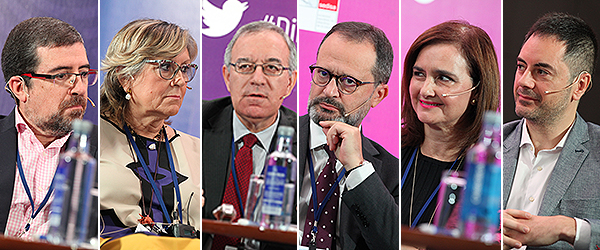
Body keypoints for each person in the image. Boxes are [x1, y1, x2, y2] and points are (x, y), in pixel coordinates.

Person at [502, 13, 600, 250]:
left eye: (541, 72)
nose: (524, 82)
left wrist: (567, 227)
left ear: (580, 85)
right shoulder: (487, 145)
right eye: (521, 67)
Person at [297, 21, 398, 250]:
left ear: (378, 95)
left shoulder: (392, 174)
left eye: (348, 82)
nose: (329, 91)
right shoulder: (279, 136)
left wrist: (357, 168)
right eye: (323, 74)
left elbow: (390, 244)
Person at [99, 19, 201, 239]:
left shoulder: (197, 150)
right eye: (166, 67)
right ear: (125, 76)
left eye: (184, 69)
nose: (180, 81)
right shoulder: (91, 137)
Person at [202, 21, 297, 249]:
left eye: (272, 68)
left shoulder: (306, 141)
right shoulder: (198, 123)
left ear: (290, 83)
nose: (257, 79)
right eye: (245, 66)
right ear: (227, 76)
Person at [0, 17, 98, 239]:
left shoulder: (105, 149)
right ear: (20, 88)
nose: (79, 89)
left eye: (83, 74)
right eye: (62, 76)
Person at [400, 20, 500, 231]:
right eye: (419, 74)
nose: (426, 90)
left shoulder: (489, 174)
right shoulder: (390, 153)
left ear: (476, 92)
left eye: (443, 78)